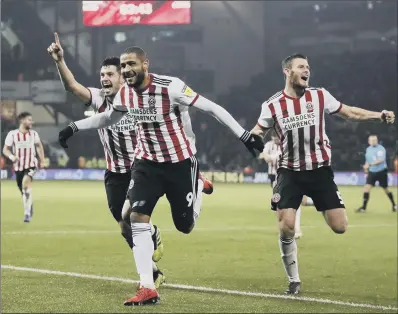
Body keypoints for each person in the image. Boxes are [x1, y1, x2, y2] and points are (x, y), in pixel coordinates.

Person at [58, 46, 264, 306]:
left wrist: (244, 135)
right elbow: (108, 118)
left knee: (185, 226)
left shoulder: (171, 87)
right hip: (146, 164)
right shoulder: (126, 95)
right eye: (123, 66)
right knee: (135, 217)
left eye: (131, 64)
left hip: (180, 163)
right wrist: (73, 127)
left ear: (146, 65)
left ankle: (198, 187)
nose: (126, 70)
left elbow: (211, 108)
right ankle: (147, 286)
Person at [250, 53, 395, 295]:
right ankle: (294, 280)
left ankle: (317, 201)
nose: (307, 70)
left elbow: (349, 112)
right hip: (290, 172)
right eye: (301, 67)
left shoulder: (319, 96)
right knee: (286, 226)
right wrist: (252, 139)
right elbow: (258, 131)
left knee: (340, 226)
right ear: (287, 71)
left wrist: (378, 115)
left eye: (308, 67)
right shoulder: (272, 105)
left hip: (319, 171)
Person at [47, 33, 170, 288]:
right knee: (124, 227)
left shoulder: (137, 99)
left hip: (139, 169)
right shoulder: (99, 99)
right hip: (114, 173)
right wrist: (60, 61)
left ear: (122, 77)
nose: (104, 79)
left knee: (131, 216)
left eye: (110, 75)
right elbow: (73, 87)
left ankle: (146, 275)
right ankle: (154, 270)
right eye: (102, 75)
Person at [262, 133, 311, 239]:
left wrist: (272, 157)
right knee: (278, 204)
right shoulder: (269, 145)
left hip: (289, 176)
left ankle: (296, 228)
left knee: (293, 202)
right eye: (273, 136)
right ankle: (284, 227)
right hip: (274, 178)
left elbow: (275, 158)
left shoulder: (287, 145)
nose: (275, 139)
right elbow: (265, 157)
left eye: (277, 136)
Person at [3, 112, 45, 222]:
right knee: (23, 191)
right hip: (18, 167)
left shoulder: (34, 134)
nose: (32, 122)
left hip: (31, 165)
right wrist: (12, 157)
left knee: (26, 184)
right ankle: (29, 205)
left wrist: (42, 160)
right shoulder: (12, 134)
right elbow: (5, 150)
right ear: (22, 121)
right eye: (29, 120)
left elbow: (39, 146)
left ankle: (26, 215)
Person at [356, 135, 396, 213]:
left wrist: (370, 164)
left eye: (374, 140)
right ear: (369, 141)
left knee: (386, 189)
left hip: (381, 171)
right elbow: (367, 160)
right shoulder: (368, 149)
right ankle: (363, 208)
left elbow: (381, 160)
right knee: (366, 188)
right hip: (372, 172)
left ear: (377, 141)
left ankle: (394, 205)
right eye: (371, 140)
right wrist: (366, 168)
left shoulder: (381, 149)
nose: (373, 141)